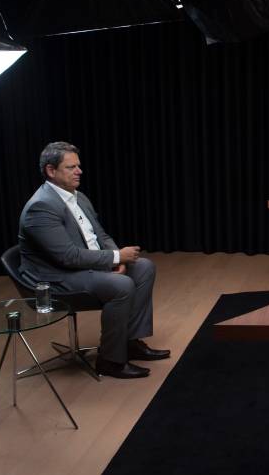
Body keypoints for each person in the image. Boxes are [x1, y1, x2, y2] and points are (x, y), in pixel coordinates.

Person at [18, 141, 170, 379]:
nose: (79, 171)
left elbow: (100, 235)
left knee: (143, 267)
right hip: (54, 279)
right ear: (51, 170)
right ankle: (110, 360)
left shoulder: (78, 196)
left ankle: (128, 343)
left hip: (82, 266)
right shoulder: (41, 207)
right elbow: (67, 257)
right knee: (121, 285)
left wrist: (116, 259)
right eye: (71, 167)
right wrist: (116, 256)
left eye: (78, 166)